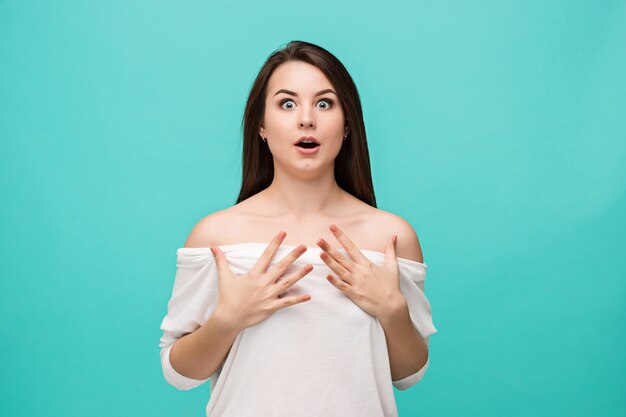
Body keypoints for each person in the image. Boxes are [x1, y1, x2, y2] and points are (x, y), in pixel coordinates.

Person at [159, 40, 438, 417]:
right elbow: (179, 375)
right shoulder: (215, 237)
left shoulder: (391, 236)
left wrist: (391, 310)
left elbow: (409, 374)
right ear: (260, 124)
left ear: (348, 124)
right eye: (287, 103)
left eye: (325, 103)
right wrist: (227, 320)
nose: (306, 119)